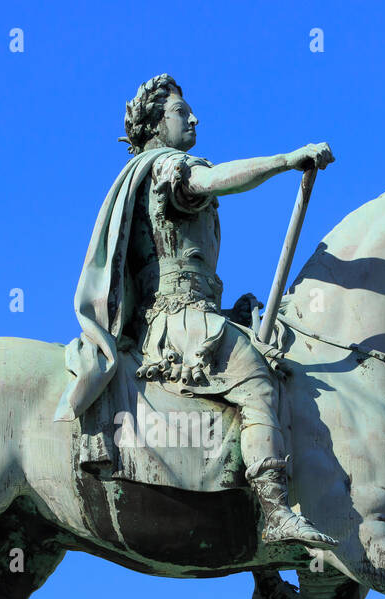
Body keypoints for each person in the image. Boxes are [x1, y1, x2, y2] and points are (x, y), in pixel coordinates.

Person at [59, 73, 337, 549]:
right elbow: (213, 181)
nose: (194, 118)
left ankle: (258, 565)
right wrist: (285, 161)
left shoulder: (151, 172)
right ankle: (273, 511)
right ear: (154, 124)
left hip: (197, 310)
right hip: (177, 320)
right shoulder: (168, 167)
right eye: (181, 113)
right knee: (255, 376)